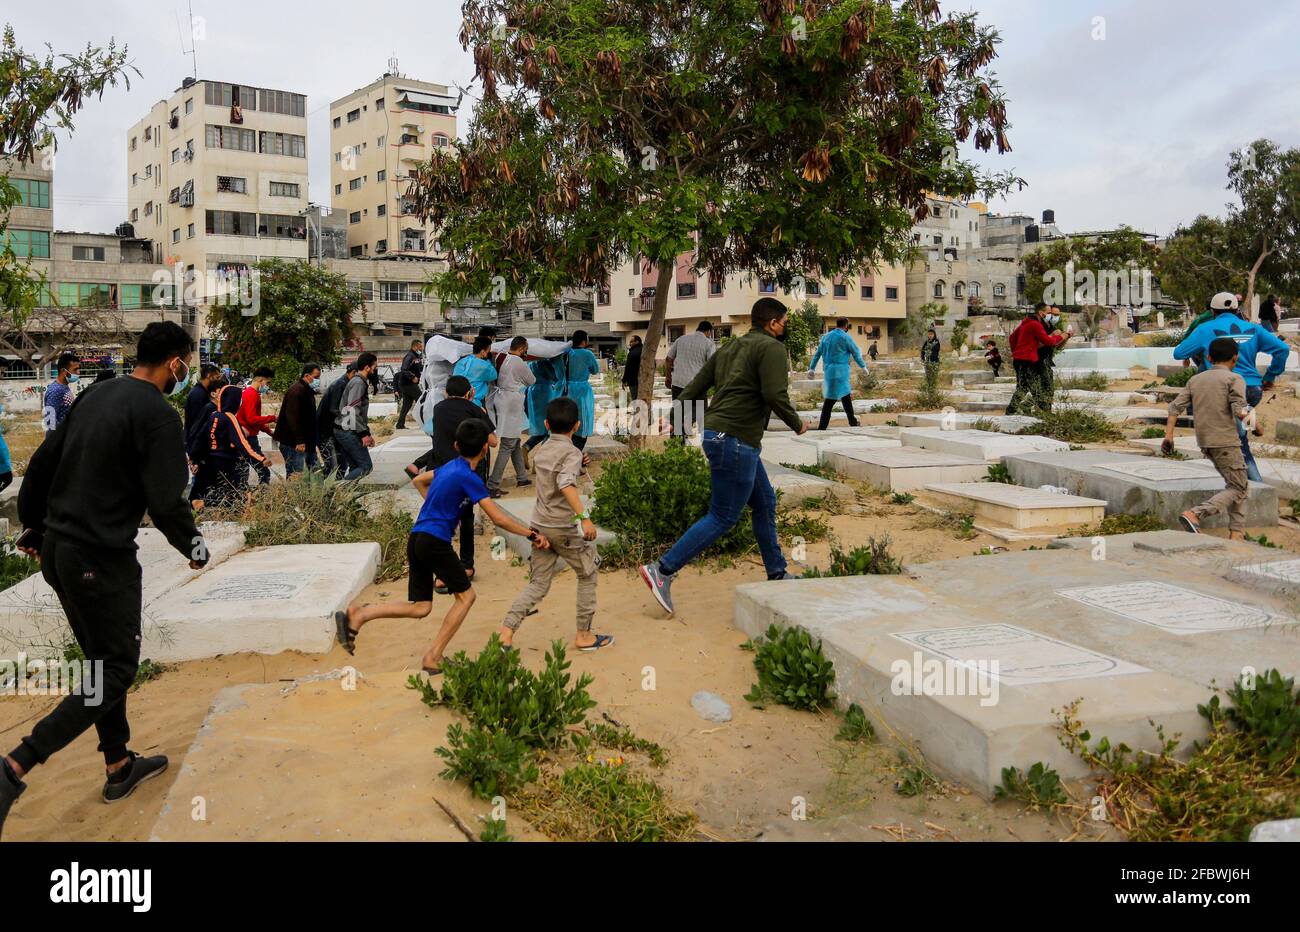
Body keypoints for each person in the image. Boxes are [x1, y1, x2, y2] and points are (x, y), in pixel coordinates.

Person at [1, 322, 208, 838]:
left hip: (60, 554)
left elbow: (47, 458)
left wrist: (34, 524)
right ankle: (14, 767)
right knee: (115, 670)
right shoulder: (159, 414)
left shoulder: (96, 393)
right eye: (187, 361)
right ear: (176, 363)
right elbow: (166, 503)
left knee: (100, 661)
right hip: (101, 559)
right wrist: (194, 545)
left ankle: (118, 765)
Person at [335, 418, 549, 675]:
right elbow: (498, 517)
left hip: (418, 537)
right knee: (466, 597)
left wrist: (442, 511)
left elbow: (418, 481)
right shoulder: (469, 477)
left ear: (456, 445)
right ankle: (433, 657)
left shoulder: (449, 467)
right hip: (434, 541)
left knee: (421, 607)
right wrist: (531, 533)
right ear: (485, 448)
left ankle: (360, 615)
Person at [640, 298, 807, 615]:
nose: (786, 327)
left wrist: (675, 417)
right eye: (785, 322)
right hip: (736, 441)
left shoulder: (728, 349)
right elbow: (774, 394)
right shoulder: (771, 348)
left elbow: (695, 387)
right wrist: (798, 423)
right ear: (772, 323)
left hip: (719, 435)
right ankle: (662, 570)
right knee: (723, 516)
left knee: (765, 502)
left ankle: (776, 571)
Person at [498, 396, 610, 651]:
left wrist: (577, 466)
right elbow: (565, 484)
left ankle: (506, 631)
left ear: (546, 424)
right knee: (588, 572)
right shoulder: (571, 451)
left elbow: (555, 474)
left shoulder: (543, 451)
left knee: (538, 584)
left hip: (539, 526)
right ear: (577, 425)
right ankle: (584, 636)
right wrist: (585, 518)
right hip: (563, 529)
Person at [1173, 291, 1288, 483]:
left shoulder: (1205, 328)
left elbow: (1179, 353)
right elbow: (1282, 350)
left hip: (1224, 390)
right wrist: (1270, 375)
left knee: (1239, 444)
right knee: (1237, 431)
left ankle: (1256, 487)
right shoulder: (1254, 329)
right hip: (1252, 390)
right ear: (1237, 309)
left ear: (1212, 310)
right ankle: (1251, 428)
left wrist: (1203, 348)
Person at [1165, 337, 1251, 538]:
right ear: (1235, 358)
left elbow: (1174, 408)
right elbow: (1240, 409)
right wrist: (1257, 426)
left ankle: (1237, 534)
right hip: (1226, 440)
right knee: (1239, 487)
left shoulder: (1195, 380)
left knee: (1237, 484)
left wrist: (1169, 436)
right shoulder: (1234, 379)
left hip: (1205, 441)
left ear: (1209, 357)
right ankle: (1195, 514)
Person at [420, 374, 498, 578]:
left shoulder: (438, 409)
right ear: (469, 393)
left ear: (446, 393)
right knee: (466, 519)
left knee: (442, 520)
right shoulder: (474, 409)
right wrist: (480, 413)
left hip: (442, 470)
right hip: (466, 470)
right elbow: (493, 442)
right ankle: (467, 565)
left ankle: (442, 572)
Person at [189, 382, 266, 507]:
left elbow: (200, 439)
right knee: (235, 492)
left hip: (211, 461)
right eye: (239, 400)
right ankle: (204, 504)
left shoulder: (214, 415)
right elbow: (241, 442)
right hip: (227, 462)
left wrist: (194, 459)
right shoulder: (229, 417)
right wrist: (260, 458)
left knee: (223, 490)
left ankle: (202, 504)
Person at [487, 336, 536, 497]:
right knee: (508, 444)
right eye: (525, 349)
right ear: (522, 349)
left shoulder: (500, 356)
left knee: (514, 441)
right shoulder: (518, 362)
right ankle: (493, 484)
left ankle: (522, 477)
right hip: (512, 403)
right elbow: (531, 380)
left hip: (500, 400)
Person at [1006, 303, 1072, 415]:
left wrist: (1017, 352)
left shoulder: (1026, 322)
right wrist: (1063, 336)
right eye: (1049, 313)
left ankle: (1013, 411)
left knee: (1024, 387)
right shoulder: (1035, 324)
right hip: (1028, 360)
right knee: (1035, 388)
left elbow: (1012, 338)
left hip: (1023, 359)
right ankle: (1044, 412)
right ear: (1041, 313)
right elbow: (1049, 341)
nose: (1051, 316)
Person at [809, 317, 866, 431]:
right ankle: (848, 422)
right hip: (841, 372)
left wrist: (812, 368)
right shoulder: (845, 337)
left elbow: (817, 354)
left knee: (838, 398)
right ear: (846, 326)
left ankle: (847, 422)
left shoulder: (825, 337)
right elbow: (855, 352)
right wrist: (863, 366)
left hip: (829, 372)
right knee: (838, 398)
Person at [666, 321, 716, 438]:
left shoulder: (681, 339)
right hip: (696, 384)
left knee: (678, 412)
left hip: (678, 382)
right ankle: (686, 424)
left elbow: (668, 359)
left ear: (698, 328)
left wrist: (668, 377)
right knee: (700, 410)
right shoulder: (709, 344)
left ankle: (675, 444)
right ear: (708, 331)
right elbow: (711, 364)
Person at [273, 363, 322, 477]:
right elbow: (293, 418)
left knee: (314, 473)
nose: (317, 380)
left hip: (306, 442)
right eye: (315, 377)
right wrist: (299, 441)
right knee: (296, 475)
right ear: (306, 375)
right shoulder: (297, 391)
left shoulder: (306, 390)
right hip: (294, 443)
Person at [335, 353, 378, 481]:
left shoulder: (359, 381)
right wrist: (363, 434)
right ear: (367, 367)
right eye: (374, 366)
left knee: (355, 467)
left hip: (348, 429)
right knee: (365, 466)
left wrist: (367, 432)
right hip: (348, 430)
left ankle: (345, 496)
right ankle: (340, 490)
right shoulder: (358, 383)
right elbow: (353, 409)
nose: (375, 369)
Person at [562, 330, 601, 451]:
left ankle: (568, 452)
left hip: (565, 389)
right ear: (584, 341)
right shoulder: (587, 354)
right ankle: (575, 454)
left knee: (567, 422)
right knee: (583, 422)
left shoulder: (566, 353)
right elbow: (595, 370)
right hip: (582, 391)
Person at [237, 366, 277, 487]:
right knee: (263, 471)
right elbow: (252, 419)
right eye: (267, 382)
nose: (267, 385)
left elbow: (254, 420)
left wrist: (269, 431)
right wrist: (273, 418)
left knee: (244, 470)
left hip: (247, 435)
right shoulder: (252, 395)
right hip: (249, 438)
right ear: (261, 380)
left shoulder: (249, 393)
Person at [317, 363, 357, 477]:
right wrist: (350, 423)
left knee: (342, 463)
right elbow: (334, 409)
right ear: (353, 373)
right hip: (326, 431)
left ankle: (337, 489)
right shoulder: (340, 385)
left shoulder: (345, 384)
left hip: (333, 431)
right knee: (332, 465)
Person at [525, 353, 564, 450]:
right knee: (549, 425)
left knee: (540, 425)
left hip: (533, 391)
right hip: (544, 392)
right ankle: (544, 451)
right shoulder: (543, 362)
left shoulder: (530, 362)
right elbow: (554, 377)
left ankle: (527, 447)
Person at [452, 336, 497, 410]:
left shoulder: (461, 361)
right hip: (474, 403)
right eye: (488, 350)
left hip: (457, 401)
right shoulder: (484, 366)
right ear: (483, 352)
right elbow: (494, 375)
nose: (489, 352)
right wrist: (487, 360)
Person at [43, 351, 80, 436]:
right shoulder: (56, 390)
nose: (78, 372)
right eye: (75, 369)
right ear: (64, 371)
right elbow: (49, 422)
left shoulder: (64, 387)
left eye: (78, 369)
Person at [183, 363, 222, 436]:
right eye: (217, 377)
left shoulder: (203, 391)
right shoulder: (198, 394)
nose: (218, 380)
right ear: (209, 376)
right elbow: (198, 422)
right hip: (194, 439)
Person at [395, 339, 424, 429]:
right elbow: (404, 369)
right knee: (421, 400)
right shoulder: (410, 356)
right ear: (414, 346)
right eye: (420, 347)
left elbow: (419, 367)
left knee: (406, 405)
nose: (421, 348)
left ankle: (400, 424)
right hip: (408, 384)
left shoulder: (416, 356)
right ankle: (424, 422)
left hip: (407, 384)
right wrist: (413, 377)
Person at [621, 335, 643, 401]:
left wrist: (624, 380)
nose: (630, 344)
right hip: (644, 380)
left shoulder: (632, 353)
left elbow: (628, 368)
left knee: (635, 400)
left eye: (631, 342)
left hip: (633, 381)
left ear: (637, 342)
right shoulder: (645, 350)